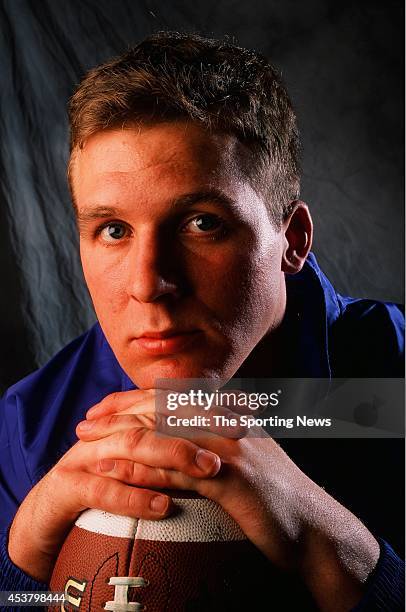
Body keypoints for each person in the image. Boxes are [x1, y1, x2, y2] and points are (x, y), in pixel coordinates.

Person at [0, 31, 404, 611]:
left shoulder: (394, 378)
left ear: (292, 239)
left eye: (201, 224)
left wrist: (331, 543)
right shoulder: (31, 424)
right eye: (113, 230)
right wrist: (20, 568)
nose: (148, 285)